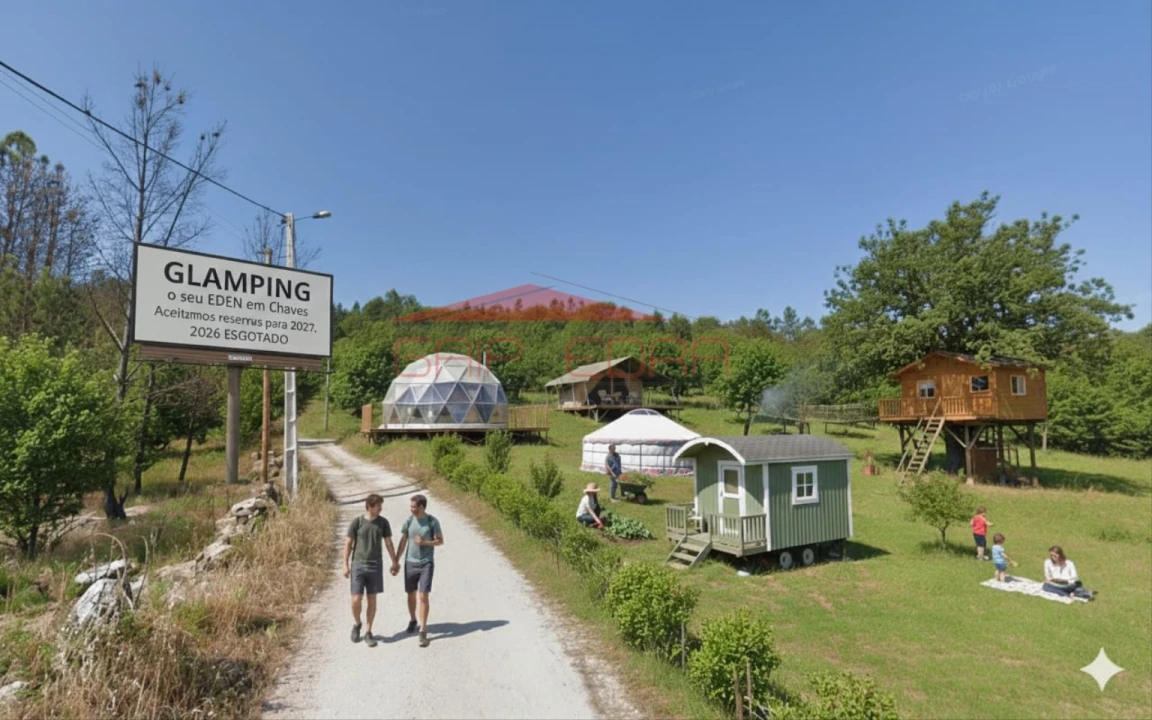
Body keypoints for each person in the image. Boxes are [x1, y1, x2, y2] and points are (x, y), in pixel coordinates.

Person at [342, 493, 398, 647]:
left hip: (375, 565)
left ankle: (368, 631)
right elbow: (348, 544)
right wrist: (345, 564)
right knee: (356, 599)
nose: (380, 508)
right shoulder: (357, 522)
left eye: (381, 506)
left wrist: (394, 561)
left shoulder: (383, 523)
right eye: (378, 506)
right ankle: (357, 623)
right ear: (370, 507)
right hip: (358, 565)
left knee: (372, 599)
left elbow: (388, 543)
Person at [396, 494, 443, 648]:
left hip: (426, 563)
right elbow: (403, 541)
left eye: (414, 506)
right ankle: (413, 620)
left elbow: (440, 541)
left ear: (422, 507)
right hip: (410, 562)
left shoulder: (432, 521)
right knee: (411, 594)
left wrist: (425, 542)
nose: (411, 509)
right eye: (411, 506)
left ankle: (423, 630)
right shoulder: (409, 521)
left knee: (423, 595)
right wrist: (396, 560)